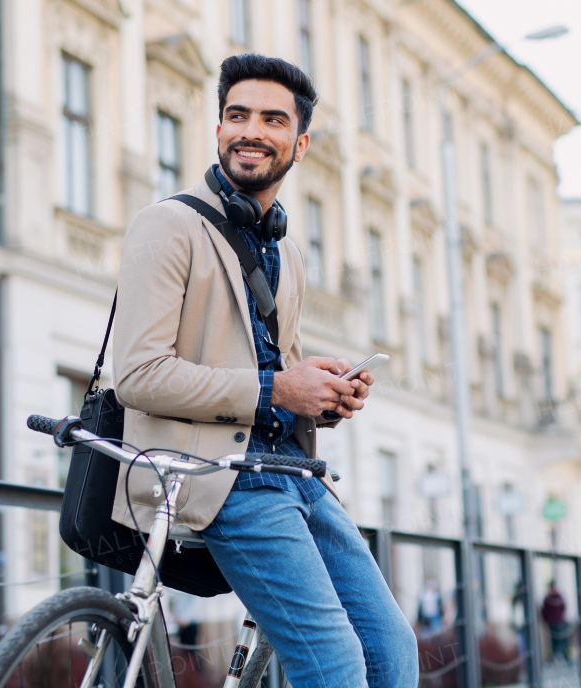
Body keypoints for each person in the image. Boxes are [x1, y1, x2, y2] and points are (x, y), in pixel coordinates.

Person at [110, 53, 419, 688]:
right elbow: (138, 375)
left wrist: (323, 395)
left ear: (299, 144)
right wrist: (281, 387)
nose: (251, 129)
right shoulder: (168, 225)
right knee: (332, 663)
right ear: (218, 129)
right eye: (236, 115)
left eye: (272, 119)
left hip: (298, 475)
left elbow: (276, 372)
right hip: (221, 478)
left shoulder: (286, 251)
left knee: (392, 649)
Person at [540, 582, 570, 664]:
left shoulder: (548, 598)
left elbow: (544, 611)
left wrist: (547, 619)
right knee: (561, 640)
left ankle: (557, 658)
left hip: (553, 623)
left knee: (556, 641)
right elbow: (563, 608)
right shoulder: (559, 597)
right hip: (559, 622)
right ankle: (563, 658)